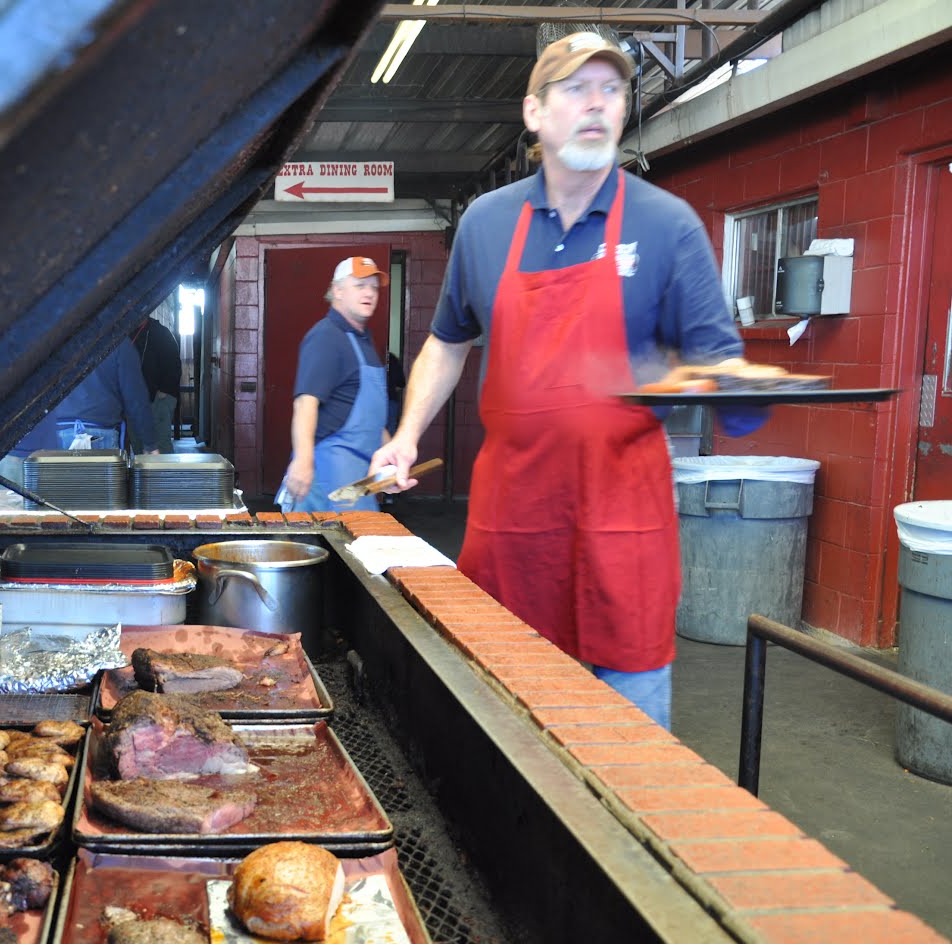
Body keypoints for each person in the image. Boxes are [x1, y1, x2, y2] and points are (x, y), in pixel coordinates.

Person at [368, 32, 764, 729]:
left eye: (611, 89)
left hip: (623, 529)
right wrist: (405, 437)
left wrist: (725, 383)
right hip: (515, 526)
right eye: (576, 89)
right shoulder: (487, 224)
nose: (596, 104)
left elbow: (721, 364)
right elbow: (446, 341)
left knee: (627, 759)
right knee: (502, 736)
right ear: (534, 113)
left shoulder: (667, 225)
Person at [278, 256, 390, 513]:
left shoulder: (362, 340)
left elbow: (370, 417)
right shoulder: (326, 336)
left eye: (374, 287)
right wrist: (303, 461)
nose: (369, 293)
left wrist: (391, 453)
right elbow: (305, 404)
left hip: (357, 478)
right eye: (360, 285)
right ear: (337, 290)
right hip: (325, 475)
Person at [0, 335, 161, 486]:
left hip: (51, 436)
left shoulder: (53, 340)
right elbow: (136, 401)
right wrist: (150, 445)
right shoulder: (119, 344)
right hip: (99, 440)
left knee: (53, 512)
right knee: (95, 514)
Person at [131, 316, 181, 454]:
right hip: (136, 401)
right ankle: (142, 475)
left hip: (158, 399)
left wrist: (163, 391)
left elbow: (174, 365)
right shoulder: (129, 332)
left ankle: (165, 475)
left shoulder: (161, 333)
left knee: (160, 444)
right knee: (137, 443)